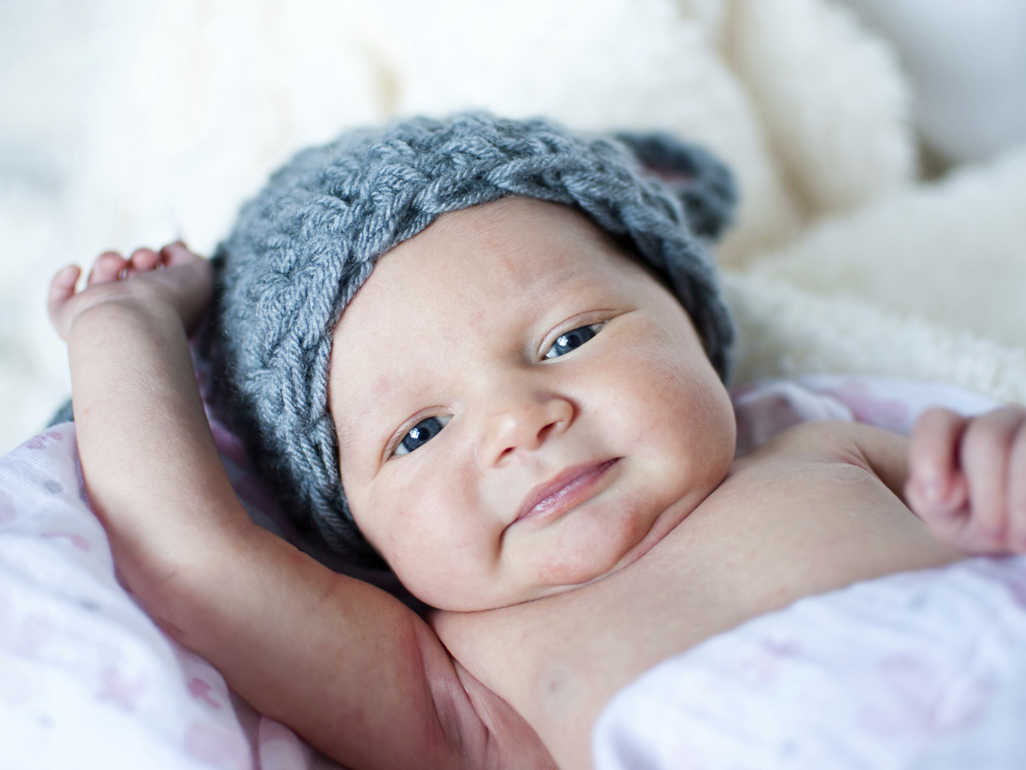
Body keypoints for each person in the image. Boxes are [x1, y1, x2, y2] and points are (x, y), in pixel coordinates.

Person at [46, 114, 1026, 769]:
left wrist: (998, 475)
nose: (520, 421)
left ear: (690, 319)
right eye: (419, 431)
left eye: (569, 338)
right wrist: (125, 328)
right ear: (356, 527)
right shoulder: (455, 683)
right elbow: (191, 560)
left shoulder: (833, 449)